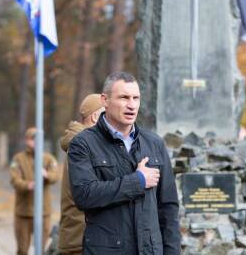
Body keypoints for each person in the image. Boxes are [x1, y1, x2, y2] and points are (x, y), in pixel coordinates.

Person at [68, 72, 181, 254]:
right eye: (124, 97)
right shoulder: (83, 144)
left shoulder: (154, 143)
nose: (131, 105)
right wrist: (138, 181)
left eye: (136, 98)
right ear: (105, 100)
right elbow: (84, 195)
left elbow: (168, 208)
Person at [58, 94, 104, 255]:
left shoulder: (82, 143)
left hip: (79, 236)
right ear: (96, 116)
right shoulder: (83, 146)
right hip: (79, 239)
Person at [10, 127, 59, 255]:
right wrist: (28, 185)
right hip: (23, 213)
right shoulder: (18, 159)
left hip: (43, 212)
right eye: (33, 139)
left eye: (39, 139)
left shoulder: (48, 158)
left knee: (41, 250)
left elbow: (55, 176)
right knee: (22, 249)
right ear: (27, 140)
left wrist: (46, 174)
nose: (36, 142)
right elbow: (14, 180)